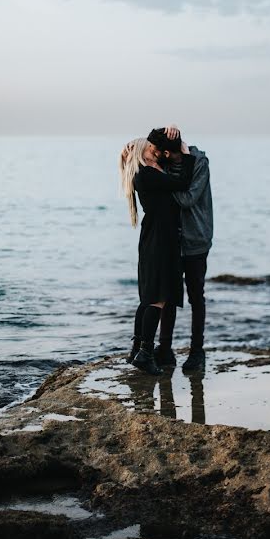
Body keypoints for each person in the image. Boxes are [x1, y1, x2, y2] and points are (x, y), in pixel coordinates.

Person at [119, 137, 196, 375]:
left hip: (155, 237)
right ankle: (145, 352)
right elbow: (182, 183)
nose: (155, 149)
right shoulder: (147, 175)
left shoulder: (148, 173)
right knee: (158, 298)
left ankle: (137, 349)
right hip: (160, 239)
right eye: (150, 147)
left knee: (149, 297)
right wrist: (186, 154)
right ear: (145, 153)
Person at [146, 127, 213, 371]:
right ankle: (165, 350)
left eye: (157, 152)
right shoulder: (164, 161)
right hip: (172, 240)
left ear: (168, 152)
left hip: (196, 239)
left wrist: (169, 176)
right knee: (169, 296)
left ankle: (197, 352)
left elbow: (186, 199)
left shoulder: (199, 163)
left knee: (196, 296)